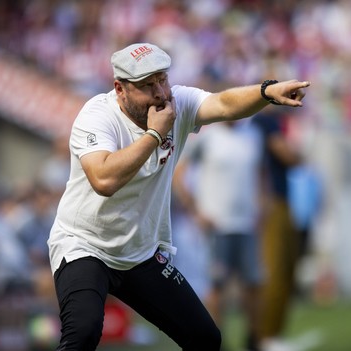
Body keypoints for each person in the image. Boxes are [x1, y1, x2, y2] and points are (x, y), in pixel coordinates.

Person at [47, 42, 310, 351]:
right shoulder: (96, 116)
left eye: (162, 79)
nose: (160, 92)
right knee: (84, 332)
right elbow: (104, 179)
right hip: (84, 246)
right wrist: (154, 135)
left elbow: (224, 104)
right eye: (147, 85)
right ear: (120, 89)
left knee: (205, 338)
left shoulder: (176, 102)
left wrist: (266, 92)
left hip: (140, 253)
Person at [172, 119, 264, 350]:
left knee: (252, 283)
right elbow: (179, 172)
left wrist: (263, 204)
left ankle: (253, 339)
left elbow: (260, 174)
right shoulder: (207, 136)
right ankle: (216, 341)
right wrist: (195, 209)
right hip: (218, 225)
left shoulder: (252, 135)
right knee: (216, 285)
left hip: (247, 223)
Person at [252, 109, 304, 351]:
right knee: (275, 270)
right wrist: (300, 153)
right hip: (273, 203)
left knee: (285, 270)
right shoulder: (265, 121)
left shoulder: (267, 122)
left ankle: (271, 334)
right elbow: (287, 155)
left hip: (279, 201)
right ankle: (265, 336)